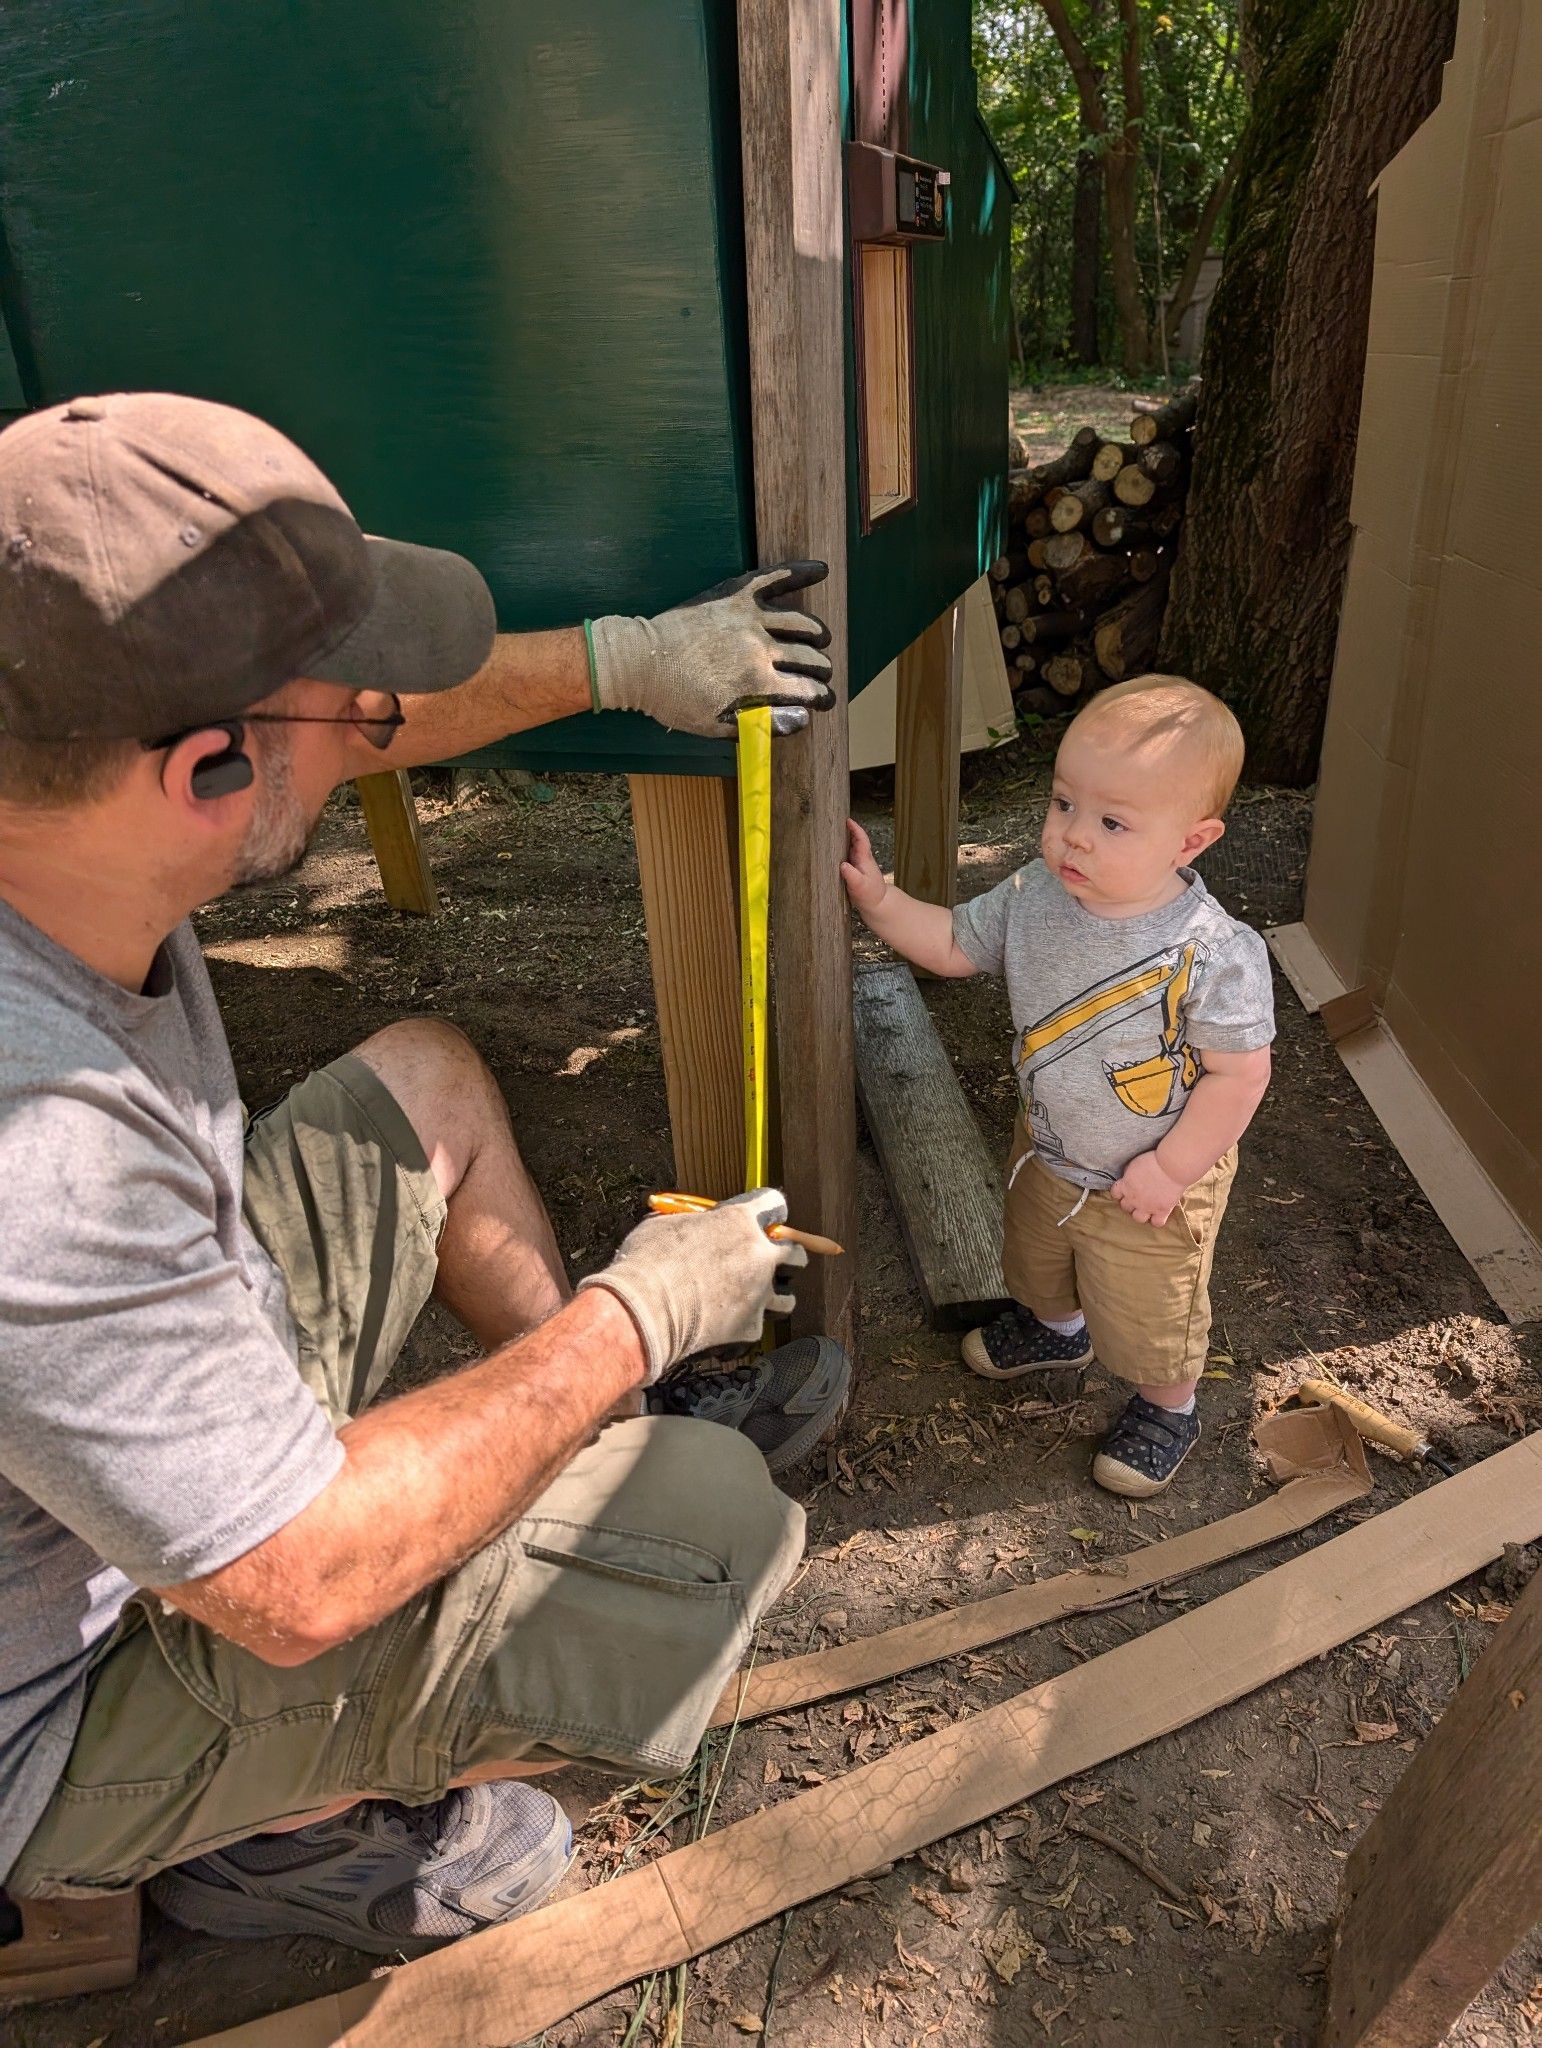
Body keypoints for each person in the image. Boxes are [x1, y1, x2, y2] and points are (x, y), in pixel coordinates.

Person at [0, 391, 853, 1956]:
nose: (376, 725)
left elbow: (349, 717)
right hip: (59, 1692)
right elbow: (297, 1579)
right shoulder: (34, 1154)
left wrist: (627, 658)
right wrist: (637, 1316)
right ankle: (279, 1838)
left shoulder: (53, 782)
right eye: (351, 715)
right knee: (704, 1544)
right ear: (203, 773)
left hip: (123, 1453)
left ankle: (594, 1433)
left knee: (428, 1084)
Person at [842, 674, 1274, 1498]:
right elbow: (951, 945)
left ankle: (1168, 1405)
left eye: (1112, 822)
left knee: (1152, 1310)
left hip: (1150, 1185)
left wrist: (1173, 1168)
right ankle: (1055, 1329)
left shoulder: (1212, 952)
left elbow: (1241, 1075)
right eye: (1064, 804)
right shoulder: (1034, 895)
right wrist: (880, 898)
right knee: (1036, 1259)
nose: (1073, 837)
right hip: (1049, 1147)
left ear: (1192, 840)